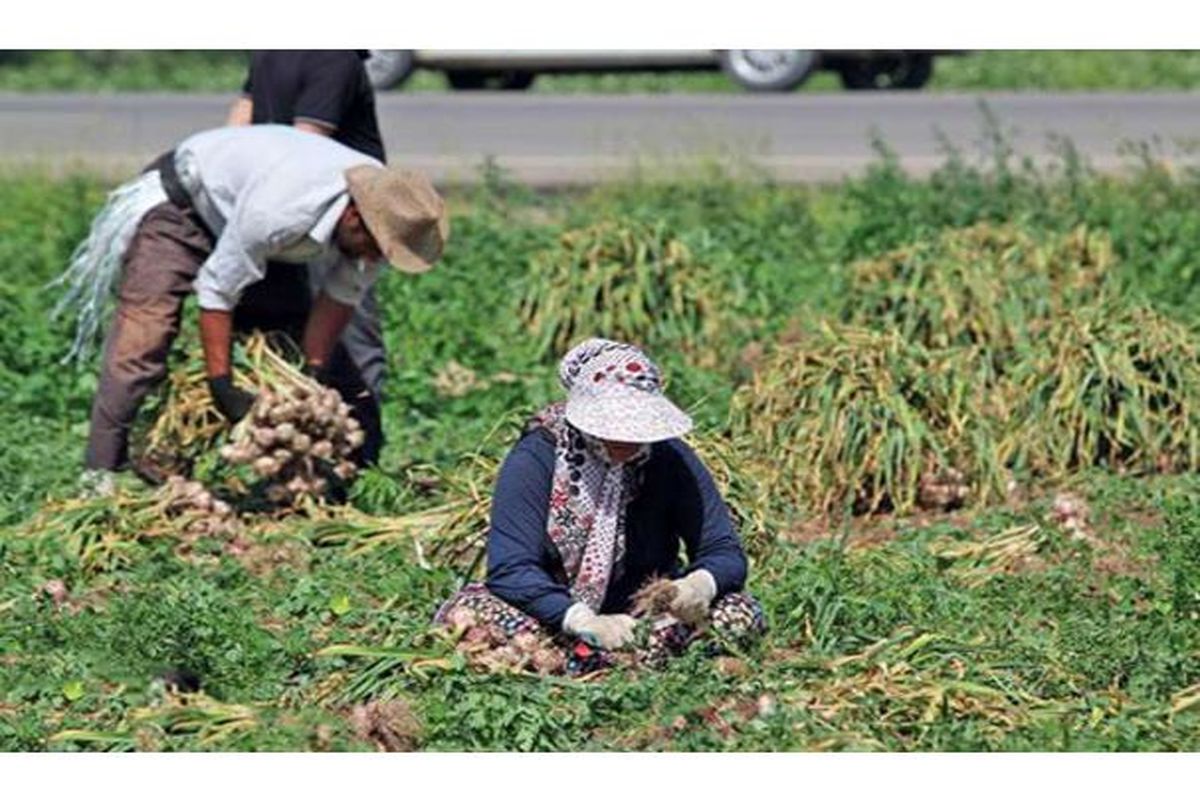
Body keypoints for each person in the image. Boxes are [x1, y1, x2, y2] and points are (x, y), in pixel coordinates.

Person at [61, 124, 448, 493]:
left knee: (288, 332)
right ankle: (101, 472)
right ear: (351, 217)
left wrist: (309, 376)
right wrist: (221, 385)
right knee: (145, 336)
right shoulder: (280, 213)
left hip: (250, 219)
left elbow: (338, 299)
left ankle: (341, 476)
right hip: (183, 206)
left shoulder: (388, 212)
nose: (372, 258)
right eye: (372, 248)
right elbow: (216, 290)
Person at [435, 338, 766, 674]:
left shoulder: (670, 459)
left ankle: (599, 661)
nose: (626, 437)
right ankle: (603, 658)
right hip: (551, 615)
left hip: (639, 619)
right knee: (470, 616)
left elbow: (723, 549)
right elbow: (511, 569)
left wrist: (698, 586)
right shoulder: (536, 459)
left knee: (737, 612)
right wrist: (579, 619)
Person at [227, 50, 389, 463]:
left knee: (293, 336)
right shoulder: (335, 57)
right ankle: (356, 454)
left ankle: (312, 450)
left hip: (276, 216)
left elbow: (240, 121)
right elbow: (306, 144)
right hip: (340, 222)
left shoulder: (272, 50)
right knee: (353, 342)